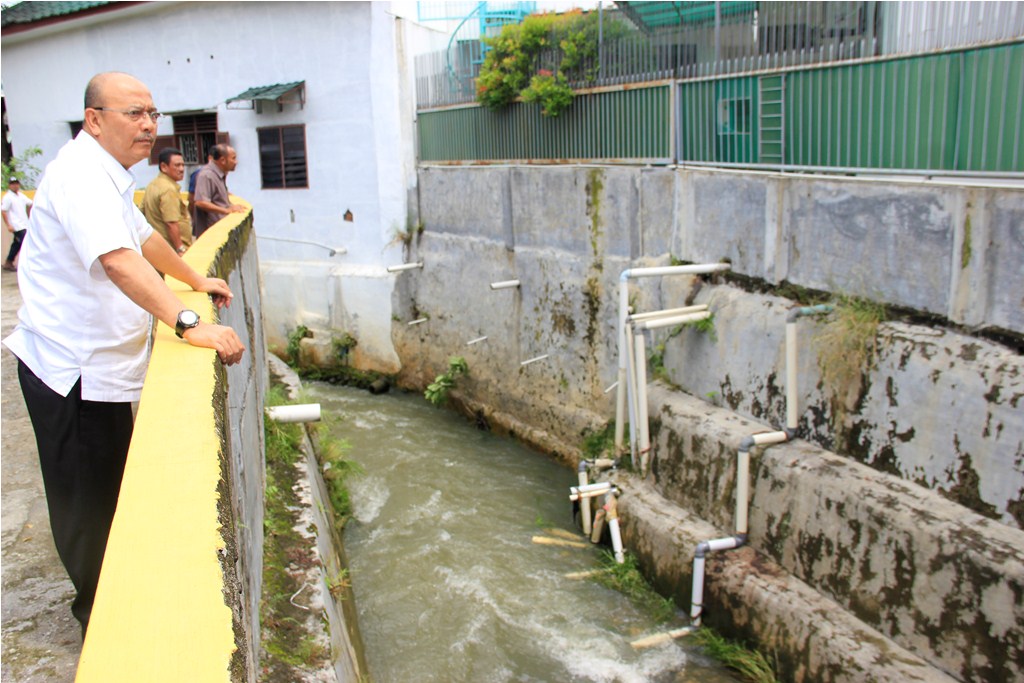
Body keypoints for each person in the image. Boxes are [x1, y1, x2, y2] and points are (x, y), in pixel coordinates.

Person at [2, 72, 246, 635]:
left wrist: (195, 278)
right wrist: (188, 324)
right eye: (133, 113)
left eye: (153, 114)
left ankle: (111, 597)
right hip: (70, 372)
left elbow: (144, 239)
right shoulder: (79, 176)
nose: (148, 125)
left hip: (99, 368)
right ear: (94, 120)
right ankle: (98, 620)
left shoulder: (110, 176)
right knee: (84, 503)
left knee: (109, 488)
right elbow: (118, 260)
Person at [142, 146, 192, 255]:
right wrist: (180, 248)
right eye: (177, 165)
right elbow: (171, 222)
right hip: (171, 249)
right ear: (164, 167)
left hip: (157, 248)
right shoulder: (168, 189)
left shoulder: (152, 185)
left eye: (183, 165)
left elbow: (142, 211)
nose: (182, 169)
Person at [192, 144, 246, 238]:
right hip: (211, 234)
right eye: (233, 158)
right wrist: (226, 210)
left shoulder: (219, 174)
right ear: (223, 160)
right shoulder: (207, 175)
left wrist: (232, 205)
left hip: (221, 230)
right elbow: (200, 202)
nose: (236, 162)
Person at [2, 177, 33, 271]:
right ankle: (25, 263)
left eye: (16, 183)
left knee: (17, 244)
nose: (15, 185)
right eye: (12, 184)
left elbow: (30, 204)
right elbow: (3, 211)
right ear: (9, 185)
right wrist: (8, 225)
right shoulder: (8, 197)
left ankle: (9, 262)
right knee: (23, 243)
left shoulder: (20, 195)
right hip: (16, 225)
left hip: (24, 224)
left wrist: (29, 216)